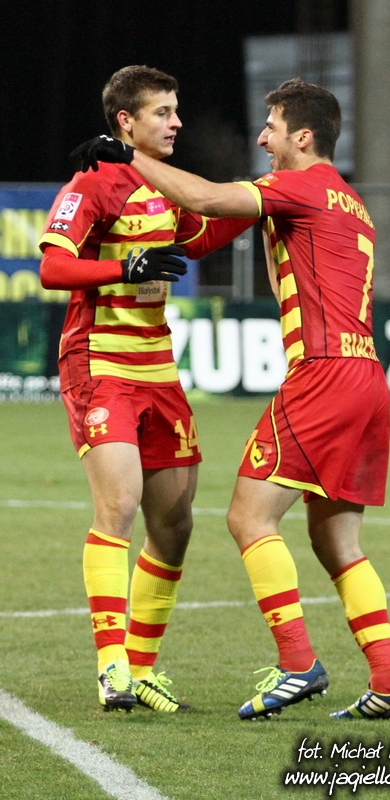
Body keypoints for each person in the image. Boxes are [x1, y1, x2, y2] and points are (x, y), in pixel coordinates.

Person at [71, 77, 390, 721]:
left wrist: (127, 155)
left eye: (272, 127)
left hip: (321, 374)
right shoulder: (353, 202)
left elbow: (205, 198)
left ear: (302, 138)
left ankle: (297, 663)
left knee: (248, 518)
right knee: (336, 540)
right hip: (368, 377)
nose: (262, 138)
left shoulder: (299, 185)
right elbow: (208, 223)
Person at [39, 65, 253, 713]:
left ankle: (143, 667)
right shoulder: (92, 182)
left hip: (159, 369)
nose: (176, 122)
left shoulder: (166, 186)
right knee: (121, 506)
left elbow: (206, 232)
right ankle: (112, 669)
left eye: (177, 110)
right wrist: (122, 266)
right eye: (163, 112)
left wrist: (268, 200)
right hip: (100, 362)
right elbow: (52, 267)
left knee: (176, 524)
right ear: (125, 122)